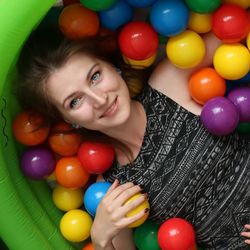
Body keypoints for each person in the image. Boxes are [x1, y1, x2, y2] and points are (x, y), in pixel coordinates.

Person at [15, 27, 250, 250]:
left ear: (112, 66)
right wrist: (100, 239)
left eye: (95, 76)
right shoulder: (111, 189)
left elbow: (237, 30)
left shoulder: (169, 84)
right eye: (74, 102)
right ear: (68, 120)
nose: (99, 99)